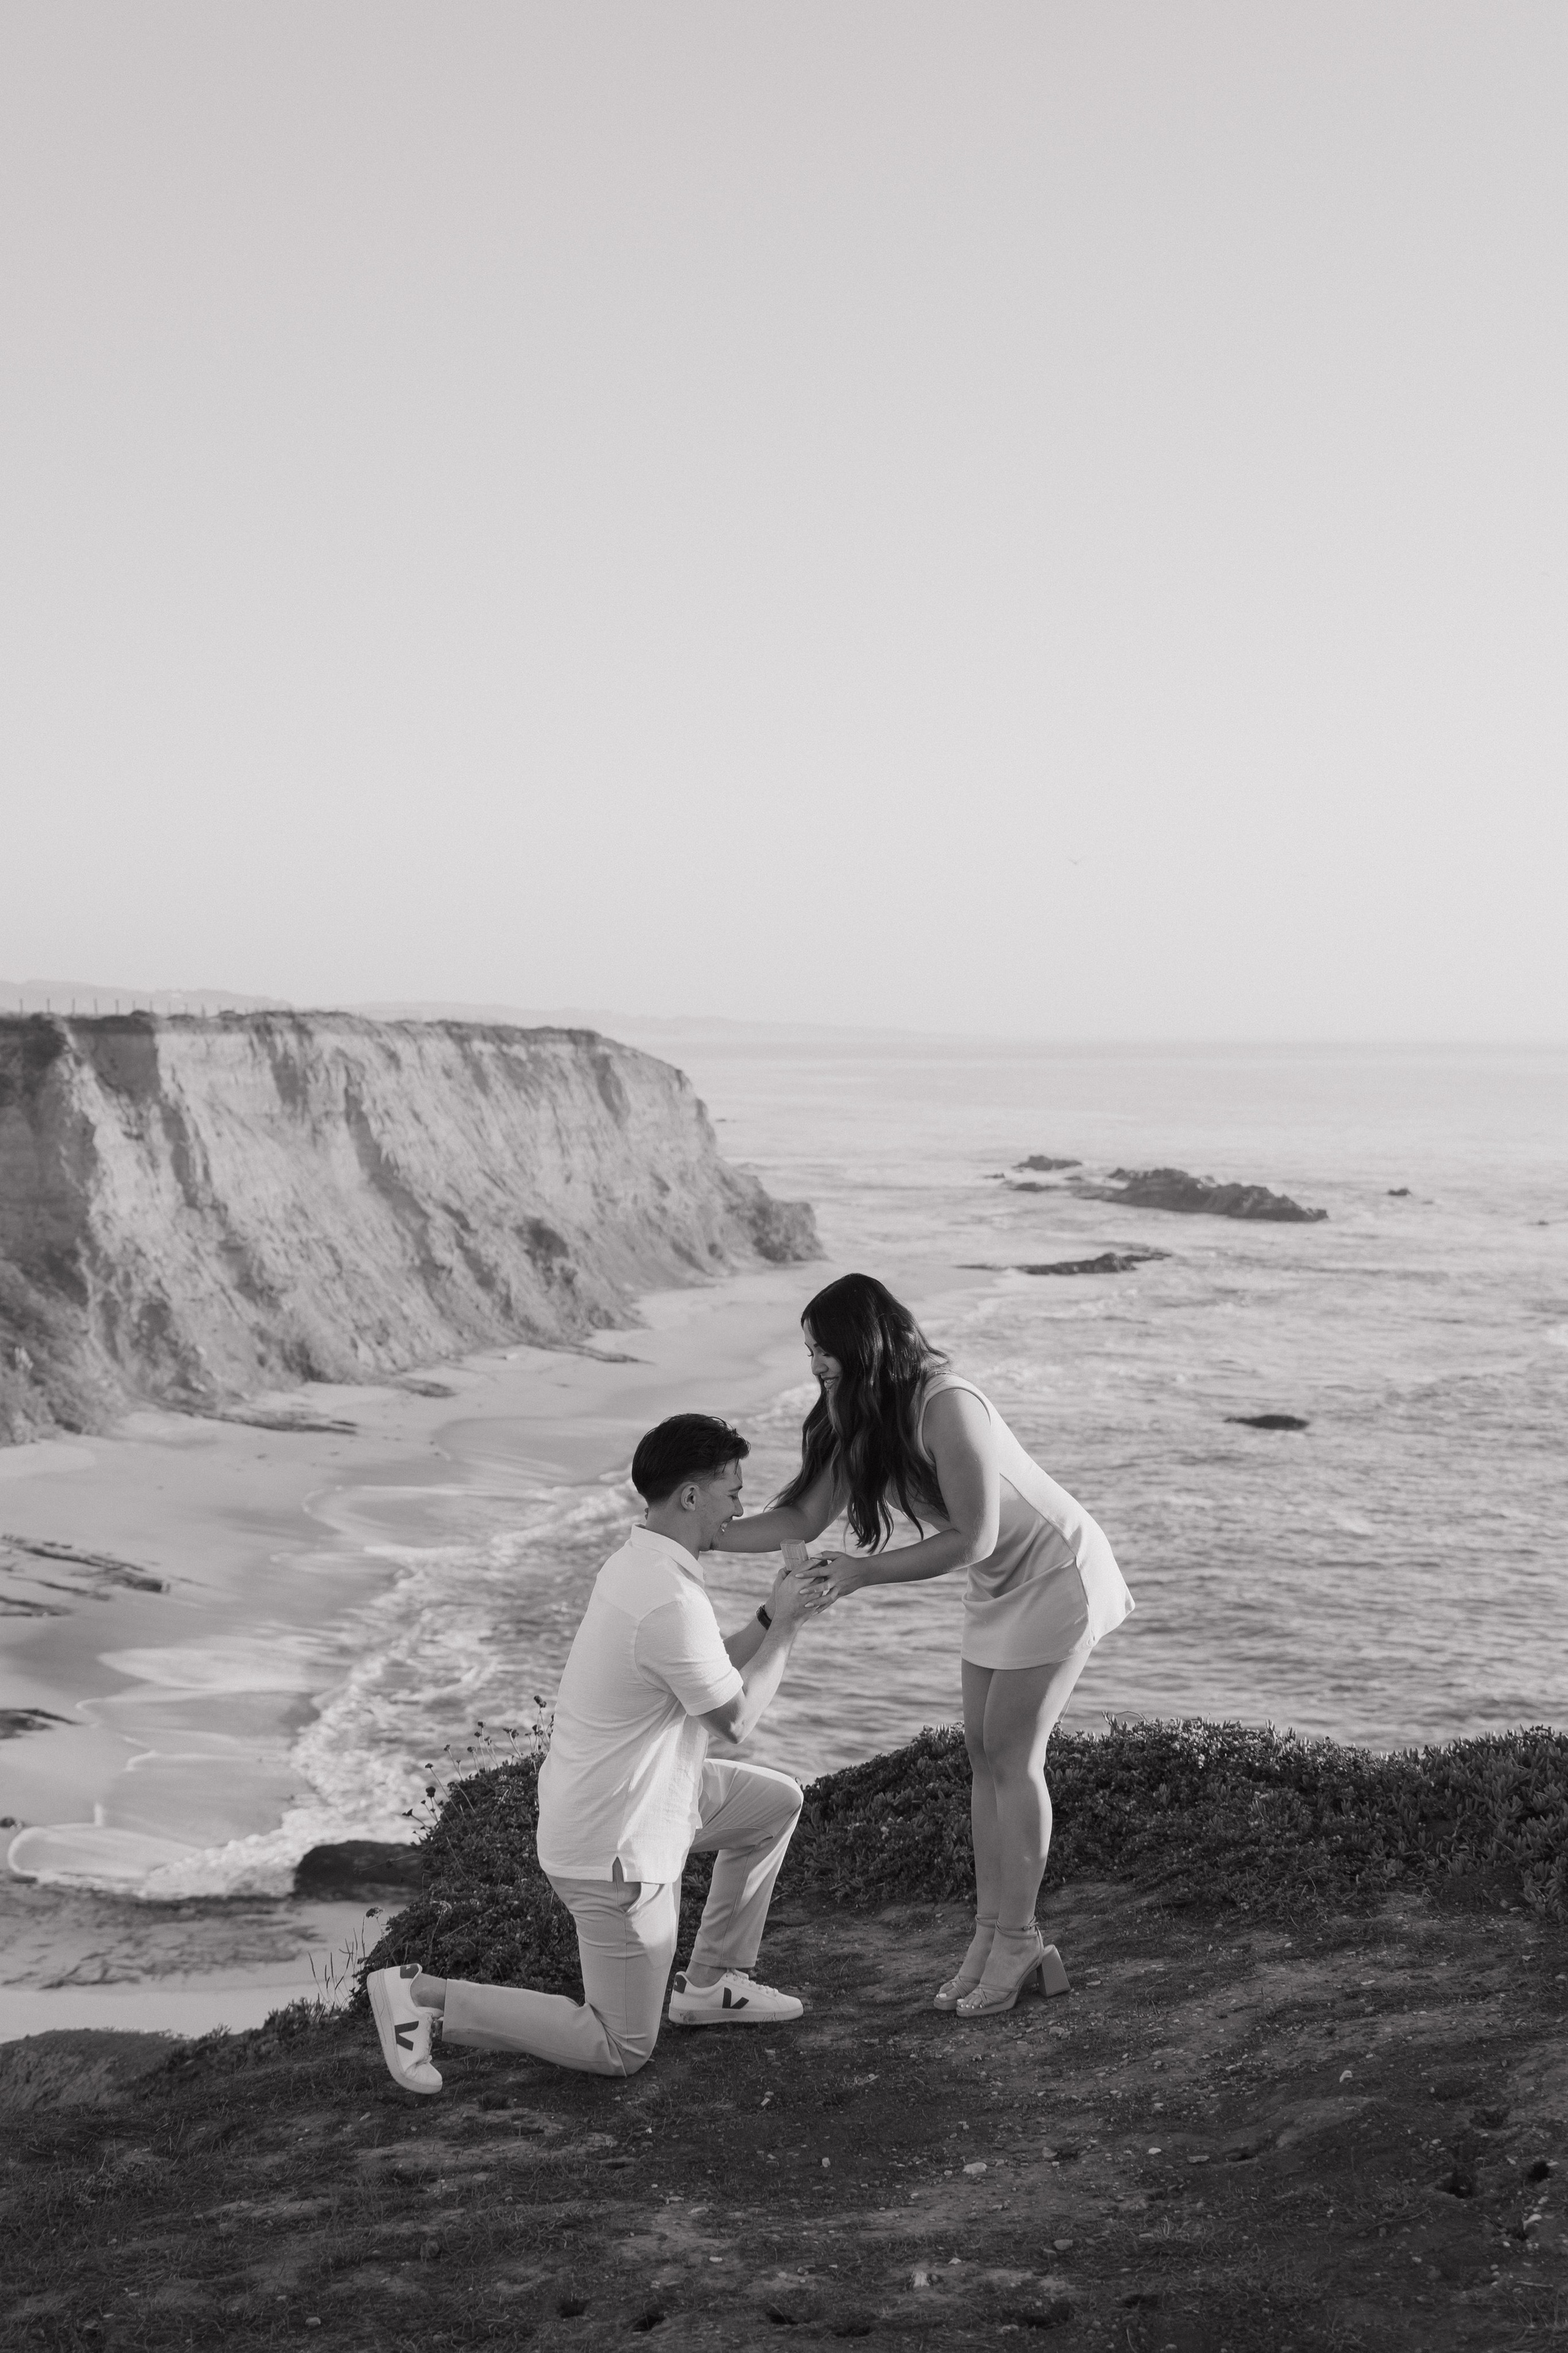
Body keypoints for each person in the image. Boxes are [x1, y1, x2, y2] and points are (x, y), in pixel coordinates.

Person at [716, 1273, 1133, 2019]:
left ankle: (1022, 1937)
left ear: (861, 1341)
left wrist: (863, 1572)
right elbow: (803, 1515)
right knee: (982, 1755)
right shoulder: (858, 1414)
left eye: (823, 1348)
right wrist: (698, 1533)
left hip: (1056, 1572)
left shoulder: (946, 1402)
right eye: (809, 1349)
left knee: (1013, 1755)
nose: (813, 1362)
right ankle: (990, 1935)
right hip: (999, 1585)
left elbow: (975, 1536)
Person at [368, 1413, 823, 2095]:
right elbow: (734, 1717)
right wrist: (786, 1627)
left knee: (773, 1804)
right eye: (732, 1493)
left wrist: (766, 1616)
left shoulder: (640, 1562)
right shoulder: (667, 1596)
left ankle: (713, 1983)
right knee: (622, 2045)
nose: (740, 1509)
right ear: (691, 1497)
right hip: (614, 1846)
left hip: (645, 1794)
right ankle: (423, 1998)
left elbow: (703, 1675)